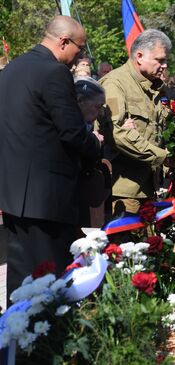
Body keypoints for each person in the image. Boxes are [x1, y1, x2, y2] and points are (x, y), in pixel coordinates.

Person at [0, 16, 102, 299]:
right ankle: (48, 341)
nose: (79, 56)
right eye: (79, 49)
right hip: (47, 197)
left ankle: (18, 341)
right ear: (63, 41)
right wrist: (95, 145)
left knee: (22, 281)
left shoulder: (11, 70)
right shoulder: (53, 72)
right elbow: (71, 131)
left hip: (14, 194)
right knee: (50, 280)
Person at [99, 29, 172, 215]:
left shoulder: (152, 87)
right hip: (124, 191)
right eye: (160, 60)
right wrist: (162, 156)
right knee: (125, 242)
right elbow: (119, 133)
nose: (164, 65)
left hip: (148, 187)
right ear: (139, 56)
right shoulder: (115, 84)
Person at [74, 76, 112, 228]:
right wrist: (92, 139)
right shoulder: (73, 124)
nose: (99, 112)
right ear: (80, 100)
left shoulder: (86, 123)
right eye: (97, 107)